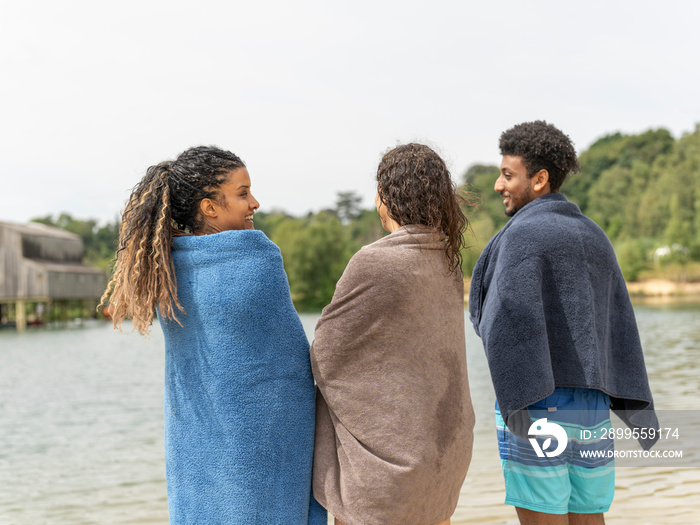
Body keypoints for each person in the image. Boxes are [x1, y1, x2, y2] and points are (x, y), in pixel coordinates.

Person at [100, 146, 326, 524]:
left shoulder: (165, 269)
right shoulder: (258, 258)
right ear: (209, 207)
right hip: (262, 444)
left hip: (195, 438)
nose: (254, 202)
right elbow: (293, 361)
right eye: (242, 193)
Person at [468, 121, 658, 525]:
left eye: (507, 174)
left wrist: (516, 396)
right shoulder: (595, 236)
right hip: (592, 407)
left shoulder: (521, 235)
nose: (499, 185)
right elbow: (618, 325)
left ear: (539, 179)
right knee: (589, 517)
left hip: (537, 401)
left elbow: (502, 322)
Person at [310, 143, 475, 525]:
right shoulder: (446, 260)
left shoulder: (374, 262)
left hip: (390, 469)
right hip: (445, 453)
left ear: (388, 198)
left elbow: (325, 357)